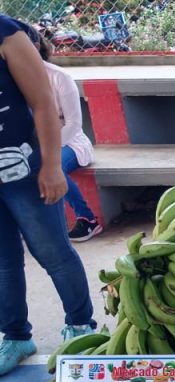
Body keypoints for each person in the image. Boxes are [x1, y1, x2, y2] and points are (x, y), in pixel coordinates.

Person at [0, 15, 96, 376]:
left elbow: (42, 102)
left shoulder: (5, 33)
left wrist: (53, 166)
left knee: (53, 252)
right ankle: (15, 336)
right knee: (3, 263)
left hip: (27, 170)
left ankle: (81, 327)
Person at [35, 36, 101, 242]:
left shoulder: (59, 77)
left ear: (35, 47)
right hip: (31, 143)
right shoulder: (10, 79)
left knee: (51, 166)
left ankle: (88, 219)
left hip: (69, 141)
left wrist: (47, 148)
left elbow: (73, 124)